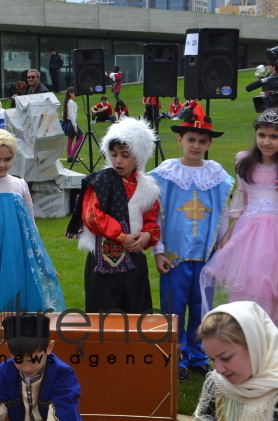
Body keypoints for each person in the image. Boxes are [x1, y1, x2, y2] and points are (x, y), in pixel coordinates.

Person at [150, 107, 233, 383]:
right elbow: (157, 215)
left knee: (202, 307)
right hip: (175, 255)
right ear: (180, 140)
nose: (196, 146)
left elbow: (221, 210)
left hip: (207, 254)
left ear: (210, 144)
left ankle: (198, 355)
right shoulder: (166, 174)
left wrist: (222, 246)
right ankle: (176, 355)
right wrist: (158, 251)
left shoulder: (216, 175)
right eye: (191, 139)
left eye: (202, 141)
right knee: (173, 307)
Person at [0, 129, 65, 324]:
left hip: (19, 259)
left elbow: (32, 229)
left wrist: (43, 264)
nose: (2, 164)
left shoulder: (19, 185)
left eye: (8, 159)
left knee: (24, 306)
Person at [0, 314, 129, 421]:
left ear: (49, 347)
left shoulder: (61, 374)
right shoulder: (7, 373)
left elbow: (59, 419)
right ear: (9, 351)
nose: (26, 367)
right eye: (19, 360)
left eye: (34, 359)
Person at [66, 118, 161, 314]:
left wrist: (147, 236)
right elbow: (91, 215)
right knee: (102, 314)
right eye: (114, 154)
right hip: (101, 261)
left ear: (139, 155)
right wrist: (121, 236)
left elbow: (152, 220)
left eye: (125, 155)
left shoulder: (148, 188)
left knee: (136, 311)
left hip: (134, 260)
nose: (118, 160)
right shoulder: (101, 182)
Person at [200, 108, 278, 323]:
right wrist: (228, 235)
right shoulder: (245, 162)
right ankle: (251, 335)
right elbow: (243, 204)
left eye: (274, 136)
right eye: (262, 135)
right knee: (252, 285)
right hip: (250, 234)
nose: (267, 142)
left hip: (275, 233)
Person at [175, 301, 278, 421]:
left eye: (225, 358)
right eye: (212, 359)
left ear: (255, 346)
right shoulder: (220, 383)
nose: (218, 370)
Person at [63, 87, 84, 163]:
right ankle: (71, 155)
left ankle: (70, 157)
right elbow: (72, 115)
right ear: (70, 93)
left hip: (68, 122)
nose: (76, 95)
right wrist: (75, 126)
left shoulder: (67, 102)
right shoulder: (71, 102)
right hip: (71, 122)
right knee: (81, 137)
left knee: (70, 139)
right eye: (74, 93)